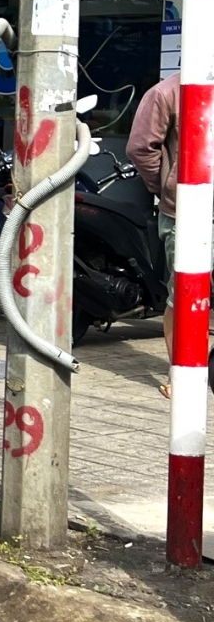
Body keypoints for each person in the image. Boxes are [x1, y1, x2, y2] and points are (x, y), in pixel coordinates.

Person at [128, 72, 203, 399]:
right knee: (183, 293)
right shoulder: (167, 93)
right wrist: (169, 186)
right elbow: (140, 147)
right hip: (186, 212)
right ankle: (182, 371)